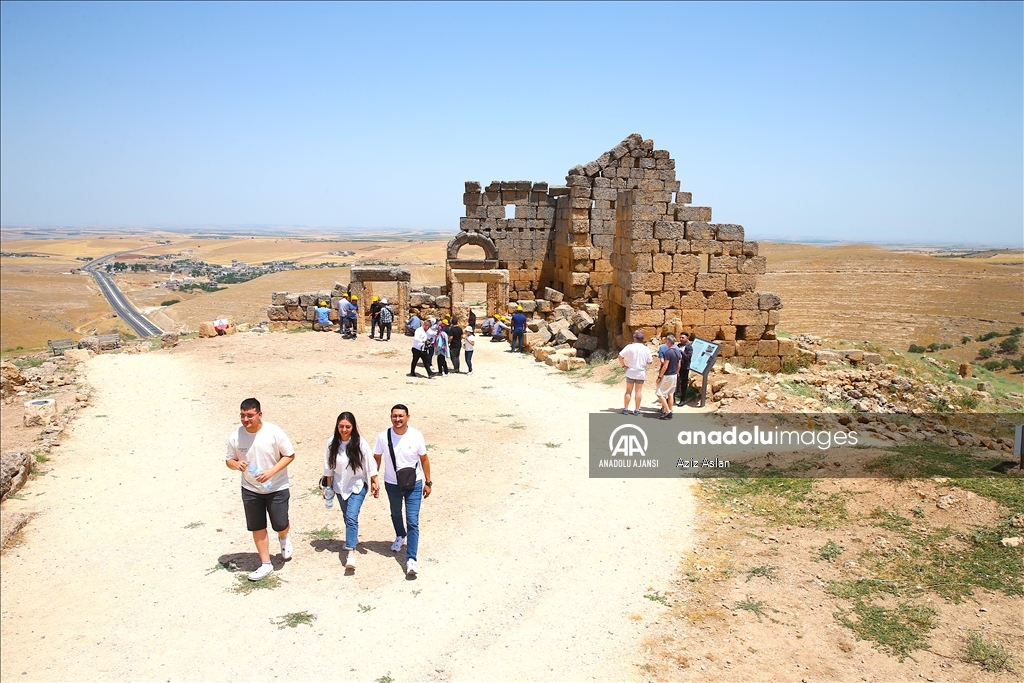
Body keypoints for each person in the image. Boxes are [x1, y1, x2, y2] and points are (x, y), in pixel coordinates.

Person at [225, 398, 296, 581]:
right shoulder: (236, 436)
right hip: (250, 487)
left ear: (259, 414)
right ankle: (265, 564)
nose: (246, 420)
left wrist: (271, 472)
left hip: (276, 486)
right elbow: (229, 460)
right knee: (257, 525)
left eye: (250, 415)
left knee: (280, 523)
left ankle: (284, 536)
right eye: (243, 416)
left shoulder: (274, 432)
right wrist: (236, 464)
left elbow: (289, 454)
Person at [373, 404, 431, 578]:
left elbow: (424, 458)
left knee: (413, 520)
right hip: (392, 483)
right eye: (394, 416)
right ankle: (400, 534)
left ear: (408, 417)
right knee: (395, 513)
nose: (397, 419)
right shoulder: (383, 437)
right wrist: (373, 478)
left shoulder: (416, 435)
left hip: (414, 483)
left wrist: (428, 482)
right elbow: (377, 457)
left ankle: (411, 559)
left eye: (400, 416)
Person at [322, 411, 380, 570]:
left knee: (351, 516)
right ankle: (352, 539)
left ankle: (351, 552)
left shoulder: (360, 443)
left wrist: (375, 481)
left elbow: (370, 463)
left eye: (347, 426)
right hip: (340, 486)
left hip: (357, 485)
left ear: (353, 427)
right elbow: (328, 467)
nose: (344, 429)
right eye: (341, 426)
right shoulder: (331, 443)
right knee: (347, 516)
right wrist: (328, 487)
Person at [618, 331, 653, 415]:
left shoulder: (630, 347)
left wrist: (623, 366)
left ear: (635, 339)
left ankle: (626, 408)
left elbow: (620, 356)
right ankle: (637, 409)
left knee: (628, 391)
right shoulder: (646, 349)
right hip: (640, 372)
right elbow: (650, 362)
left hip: (630, 371)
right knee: (638, 391)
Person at [656, 334, 683, 420]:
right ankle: (670, 410)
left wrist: (660, 377)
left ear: (668, 342)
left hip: (667, 375)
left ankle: (667, 411)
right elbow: (679, 365)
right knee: (670, 394)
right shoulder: (677, 351)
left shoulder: (668, 352)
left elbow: (665, 366)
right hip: (674, 375)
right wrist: (677, 372)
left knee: (659, 393)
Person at [675, 332, 694, 405]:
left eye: (683, 338)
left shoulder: (689, 347)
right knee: (675, 382)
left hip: (684, 367)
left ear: (687, 338)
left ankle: (683, 399)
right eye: (680, 337)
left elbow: (688, 358)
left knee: (683, 384)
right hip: (677, 366)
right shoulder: (678, 345)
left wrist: (681, 352)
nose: (681, 339)